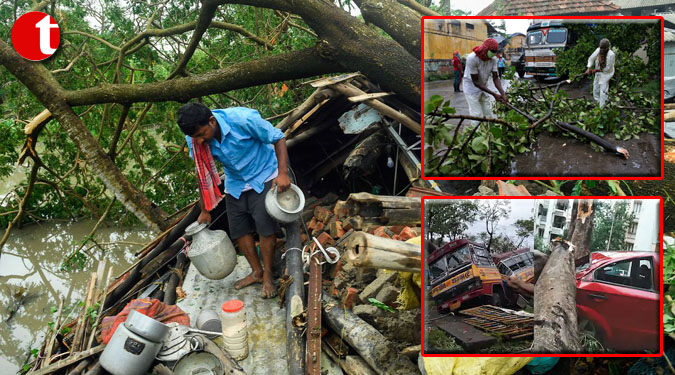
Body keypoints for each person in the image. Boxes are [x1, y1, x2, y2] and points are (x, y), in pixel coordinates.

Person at [177, 102, 290, 298]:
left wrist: (283, 173)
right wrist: (205, 210)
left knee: (265, 228)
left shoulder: (243, 120)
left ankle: (268, 277)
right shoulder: (194, 140)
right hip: (236, 183)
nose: (201, 141)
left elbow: (278, 138)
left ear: (212, 121)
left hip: (264, 174)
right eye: (196, 137)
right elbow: (201, 172)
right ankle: (257, 272)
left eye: (202, 134)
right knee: (239, 230)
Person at [462, 38, 508, 126]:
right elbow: (476, 82)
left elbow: (495, 78)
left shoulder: (493, 59)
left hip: (484, 87)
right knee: (477, 114)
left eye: (495, 51)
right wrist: (494, 94)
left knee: (489, 112)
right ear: (485, 49)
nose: (494, 53)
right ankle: (477, 134)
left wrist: (503, 93)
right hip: (471, 89)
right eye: (492, 51)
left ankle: (491, 133)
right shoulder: (472, 58)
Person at [585, 38, 616, 108]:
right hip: (598, 73)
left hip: (606, 74)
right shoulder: (598, 50)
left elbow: (607, 69)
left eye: (603, 48)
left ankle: (602, 109)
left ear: (608, 47)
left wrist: (595, 70)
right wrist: (588, 68)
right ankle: (599, 104)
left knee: (603, 92)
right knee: (595, 90)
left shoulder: (611, 55)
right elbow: (591, 58)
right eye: (601, 48)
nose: (602, 50)